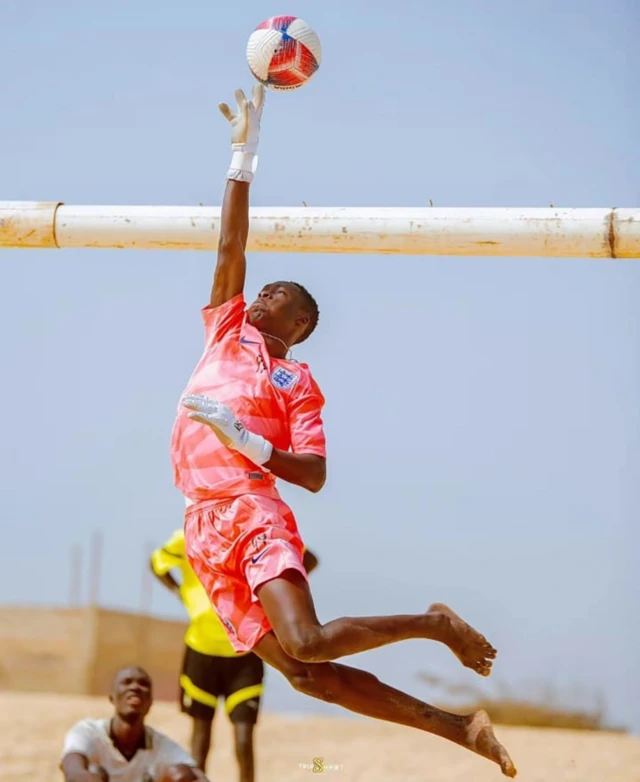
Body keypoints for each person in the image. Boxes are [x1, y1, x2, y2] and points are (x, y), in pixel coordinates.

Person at [169, 84, 517, 778]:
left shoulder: (298, 383)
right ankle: (458, 729)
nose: (262, 295)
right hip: (202, 525)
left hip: (252, 510)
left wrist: (247, 441)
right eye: (264, 290)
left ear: (298, 328)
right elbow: (230, 242)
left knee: (310, 640)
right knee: (307, 676)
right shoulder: (225, 334)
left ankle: (435, 623)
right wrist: (243, 156)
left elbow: (315, 474)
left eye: (279, 298)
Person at [150, 525, 319, 780]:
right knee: (201, 739)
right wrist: (179, 592)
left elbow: (307, 558)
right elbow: (156, 563)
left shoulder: (255, 532)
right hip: (201, 649)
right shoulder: (189, 536)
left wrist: (278, 594)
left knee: (243, 739)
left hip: (248, 649)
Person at [60, 665, 209, 782]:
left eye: (143, 684)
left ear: (150, 702)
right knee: (93, 773)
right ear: (112, 697)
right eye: (126, 682)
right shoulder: (88, 731)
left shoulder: (160, 745)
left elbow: (198, 777)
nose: (135, 687)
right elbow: (73, 771)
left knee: (181, 775)